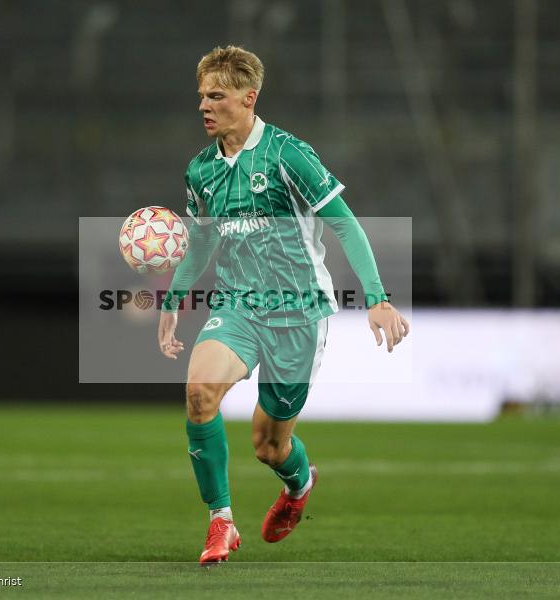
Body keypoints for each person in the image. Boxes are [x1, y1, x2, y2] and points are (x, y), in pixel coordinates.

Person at [158, 45, 410, 565]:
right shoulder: (201, 170)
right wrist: (175, 297)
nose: (205, 105)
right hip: (237, 306)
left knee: (268, 446)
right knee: (200, 393)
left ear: (249, 99)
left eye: (217, 95)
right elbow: (202, 240)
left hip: (297, 314)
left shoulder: (287, 154)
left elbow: (345, 223)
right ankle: (221, 523)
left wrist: (379, 298)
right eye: (201, 96)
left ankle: (298, 487)